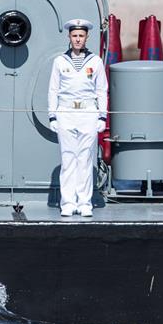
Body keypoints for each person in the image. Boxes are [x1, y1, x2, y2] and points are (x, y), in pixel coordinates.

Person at [48, 19, 107, 217]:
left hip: (88, 113)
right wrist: (53, 115)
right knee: (68, 159)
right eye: (74, 36)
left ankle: (84, 202)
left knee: (85, 159)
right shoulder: (60, 61)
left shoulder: (95, 62)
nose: (78, 39)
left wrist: (102, 117)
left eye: (81, 36)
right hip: (66, 112)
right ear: (69, 37)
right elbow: (53, 90)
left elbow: (101, 90)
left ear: (86, 37)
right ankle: (67, 202)